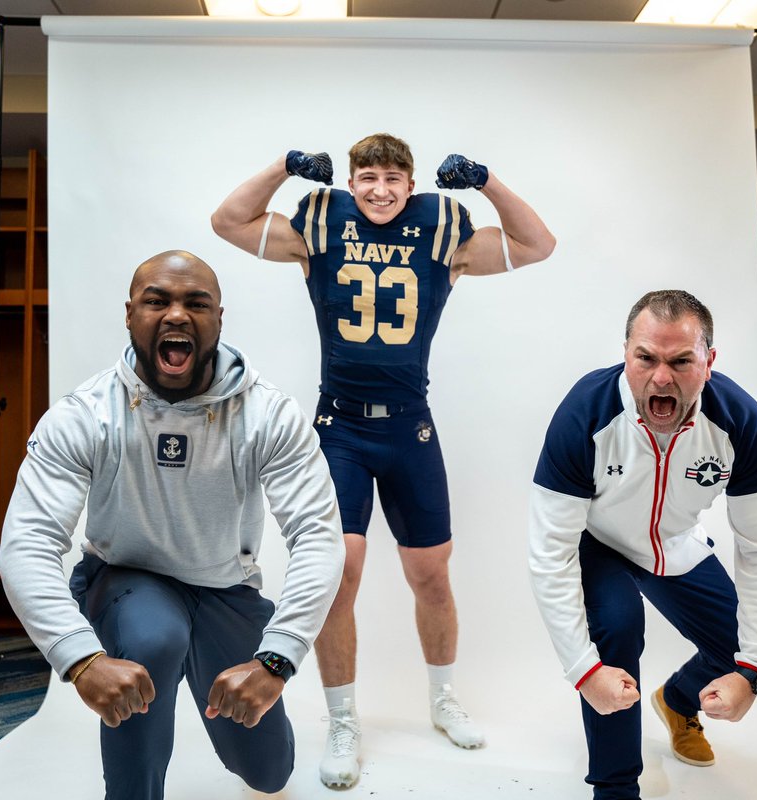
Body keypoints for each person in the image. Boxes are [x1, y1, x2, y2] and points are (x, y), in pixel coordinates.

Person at [211, 133, 556, 788]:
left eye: (392, 178)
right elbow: (228, 221)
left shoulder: (441, 229)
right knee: (339, 573)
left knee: (430, 574)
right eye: (366, 177)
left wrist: (486, 182)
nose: (378, 189)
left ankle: (443, 698)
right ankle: (343, 720)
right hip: (338, 427)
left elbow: (539, 244)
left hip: (409, 429)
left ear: (411, 183)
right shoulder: (322, 222)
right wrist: (284, 169)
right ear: (350, 180)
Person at [0, 250, 345, 800]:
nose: (177, 315)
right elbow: (28, 543)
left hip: (224, 589)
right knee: (154, 638)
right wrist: (79, 657)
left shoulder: (269, 415)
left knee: (270, 772)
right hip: (129, 578)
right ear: (130, 314)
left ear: (219, 318)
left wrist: (277, 657)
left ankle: (197, 653)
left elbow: (317, 536)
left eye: (196, 303)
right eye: (157, 300)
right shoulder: (86, 413)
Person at [527, 289, 757, 799]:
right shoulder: (585, 411)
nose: (661, 377)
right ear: (626, 352)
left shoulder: (740, 422)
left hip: (674, 543)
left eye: (681, 361)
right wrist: (585, 672)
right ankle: (617, 788)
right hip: (597, 541)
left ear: (709, 362)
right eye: (645, 358)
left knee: (736, 646)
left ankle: (676, 701)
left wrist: (754, 671)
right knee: (617, 631)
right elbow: (549, 551)